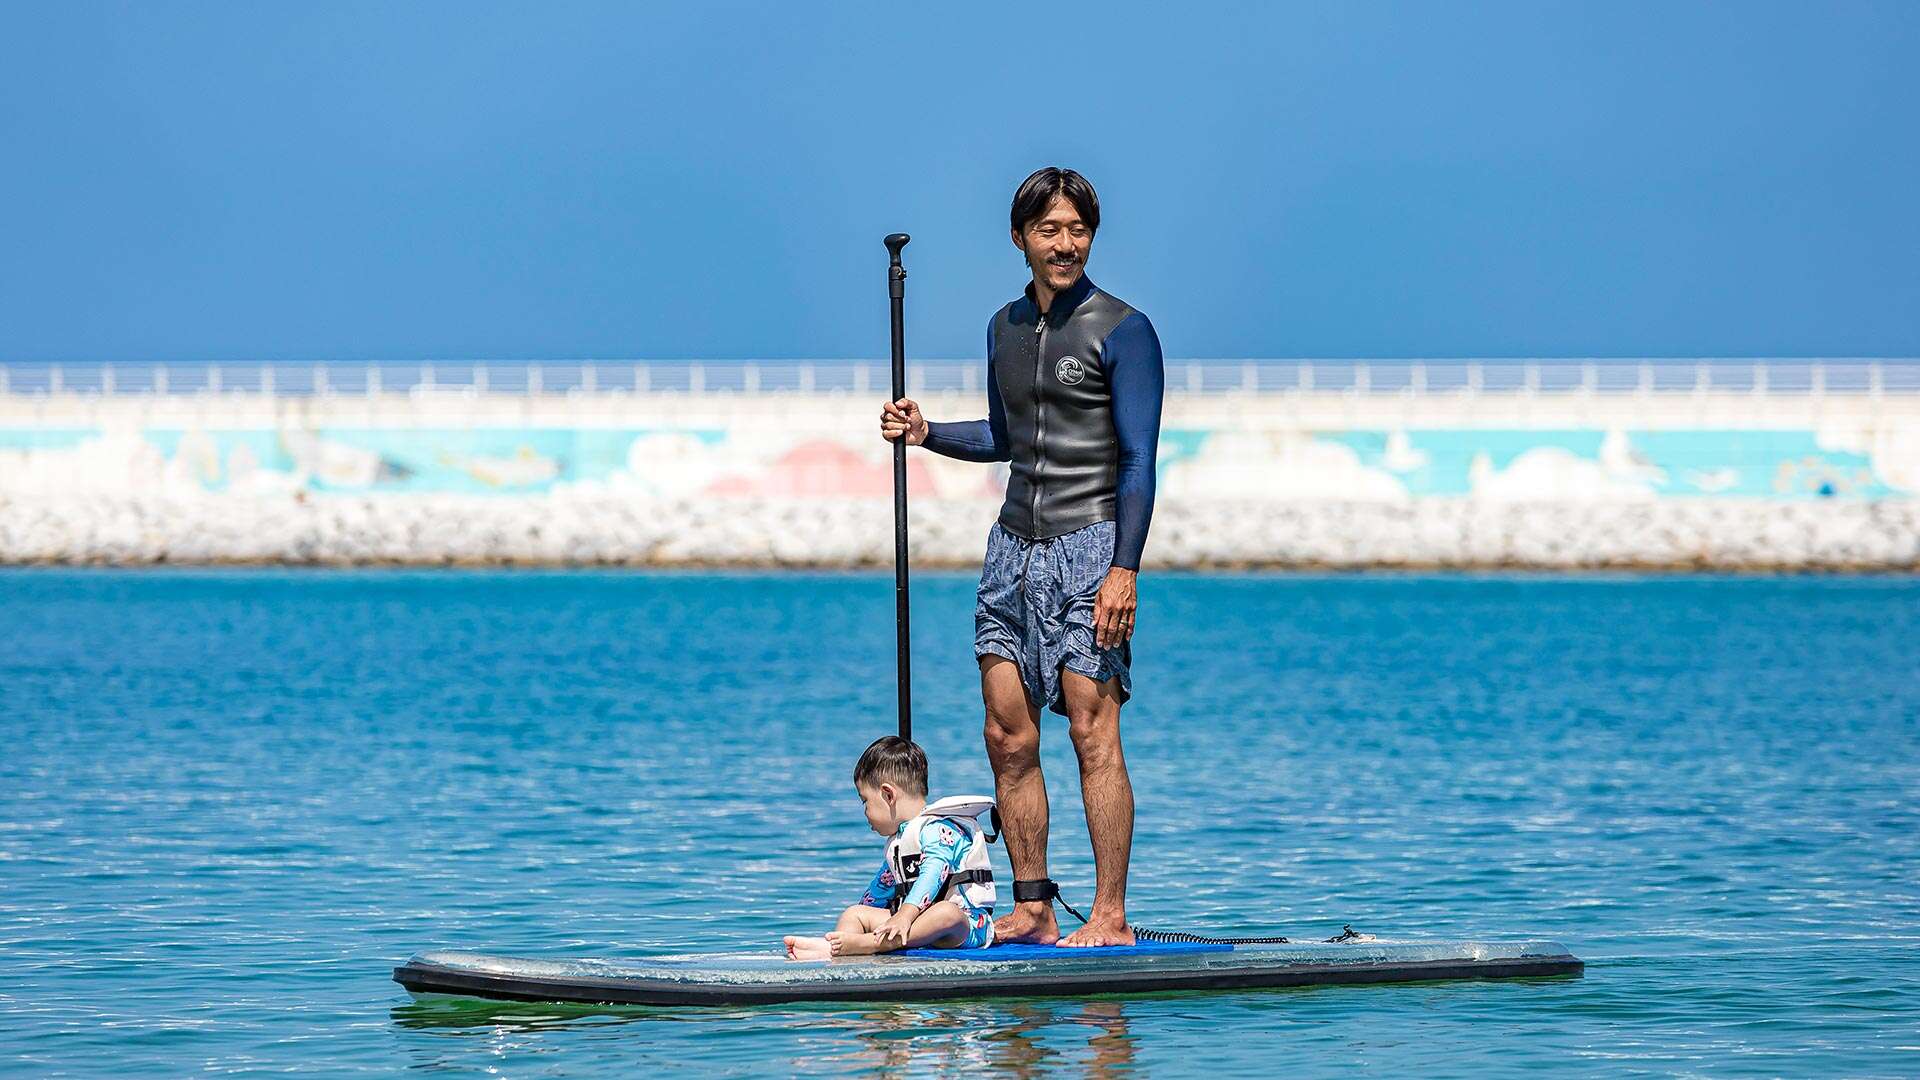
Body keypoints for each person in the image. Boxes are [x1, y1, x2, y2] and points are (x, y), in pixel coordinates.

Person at [880, 167, 1163, 947]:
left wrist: (1123, 568)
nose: (1065, 244)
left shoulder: (1123, 330)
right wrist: (927, 431)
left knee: (1090, 729)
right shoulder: (1003, 327)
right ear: (1020, 238)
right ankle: (1034, 908)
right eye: (1050, 231)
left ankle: (1109, 916)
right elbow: (1006, 440)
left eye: (1078, 230)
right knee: (1008, 735)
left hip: (1092, 546)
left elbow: (1138, 459)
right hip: (1011, 549)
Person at [783, 736, 998, 960]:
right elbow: (880, 889)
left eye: (864, 800)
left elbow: (935, 872)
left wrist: (905, 914)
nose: (865, 811)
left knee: (946, 913)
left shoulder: (939, 829)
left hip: (963, 926)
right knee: (855, 914)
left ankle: (870, 944)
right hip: (910, 924)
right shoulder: (900, 842)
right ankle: (835, 948)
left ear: (888, 794)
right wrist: (870, 919)